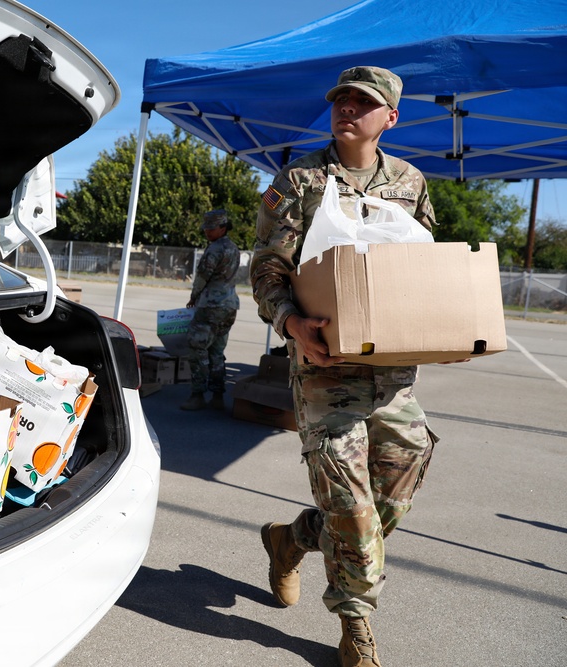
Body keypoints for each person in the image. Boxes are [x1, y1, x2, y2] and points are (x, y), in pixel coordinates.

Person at [249, 66, 437, 667]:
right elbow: (267, 272)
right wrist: (290, 323)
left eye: (365, 102)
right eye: (342, 100)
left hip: (392, 375)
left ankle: (291, 539)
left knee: (394, 493)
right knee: (352, 508)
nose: (348, 109)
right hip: (324, 367)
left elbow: (421, 268)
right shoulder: (299, 180)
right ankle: (356, 626)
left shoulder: (410, 182)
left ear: (390, 118)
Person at [180, 209, 241, 411]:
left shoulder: (215, 249)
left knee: (197, 348)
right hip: (229, 305)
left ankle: (197, 395)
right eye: (206, 228)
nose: (207, 232)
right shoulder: (233, 248)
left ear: (222, 228)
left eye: (211, 228)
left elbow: (202, 277)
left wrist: (193, 297)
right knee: (217, 351)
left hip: (211, 306)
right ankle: (217, 397)